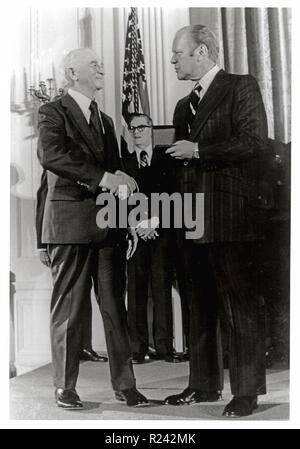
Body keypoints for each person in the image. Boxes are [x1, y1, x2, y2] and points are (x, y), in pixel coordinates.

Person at [163, 25, 269, 417]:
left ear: (203, 51)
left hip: (228, 216)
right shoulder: (181, 106)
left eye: (177, 53)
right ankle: (203, 385)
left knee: (238, 305)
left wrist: (199, 150)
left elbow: (254, 141)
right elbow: (177, 166)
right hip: (190, 219)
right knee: (198, 304)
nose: (172, 60)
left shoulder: (240, 86)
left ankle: (246, 392)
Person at [37, 48, 149, 409]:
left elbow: (118, 178)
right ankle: (64, 387)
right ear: (72, 72)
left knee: (116, 307)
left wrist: (129, 222)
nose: (102, 69)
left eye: (102, 64)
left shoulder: (105, 120)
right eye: (94, 65)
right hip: (69, 224)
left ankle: (126, 386)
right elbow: (51, 155)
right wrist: (103, 177)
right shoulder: (52, 111)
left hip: (107, 227)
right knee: (69, 309)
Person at [123, 113, 181, 364]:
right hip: (134, 236)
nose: (136, 132)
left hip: (161, 234)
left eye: (141, 127)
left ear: (151, 130)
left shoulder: (166, 159)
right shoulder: (123, 162)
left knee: (161, 290)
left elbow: (175, 192)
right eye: (132, 128)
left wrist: (154, 222)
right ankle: (137, 348)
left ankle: (165, 348)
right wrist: (135, 225)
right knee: (135, 291)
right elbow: (118, 199)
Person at [35, 169, 108, 363]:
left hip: (93, 232)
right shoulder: (53, 167)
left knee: (85, 299)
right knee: (69, 301)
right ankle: (73, 350)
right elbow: (43, 200)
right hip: (64, 235)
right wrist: (41, 245)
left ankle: (85, 346)